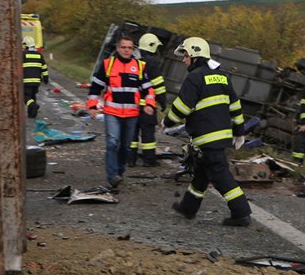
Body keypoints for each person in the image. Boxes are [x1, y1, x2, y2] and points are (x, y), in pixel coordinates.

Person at [164, 36, 252, 227]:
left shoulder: (194, 78)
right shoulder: (222, 76)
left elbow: (182, 108)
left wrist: (166, 121)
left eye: (185, 55)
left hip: (206, 139)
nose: (183, 59)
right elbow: (235, 106)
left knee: (221, 176)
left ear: (195, 55)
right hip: (220, 137)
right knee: (202, 174)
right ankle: (188, 208)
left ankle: (241, 212)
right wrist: (239, 131)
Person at [86, 36, 156, 188]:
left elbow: (149, 89)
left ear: (133, 50)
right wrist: (92, 106)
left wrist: (150, 104)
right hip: (112, 113)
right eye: (123, 47)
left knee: (125, 147)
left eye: (129, 48)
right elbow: (95, 87)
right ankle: (112, 176)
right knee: (112, 143)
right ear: (118, 48)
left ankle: (119, 171)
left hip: (131, 115)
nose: (126, 50)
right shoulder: (108, 64)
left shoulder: (139, 66)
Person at [128, 33, 167, 167]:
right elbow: (158, 84)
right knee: (148, 134)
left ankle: (130, 160)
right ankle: (149, 160)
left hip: (131, 106)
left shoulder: (132, 60)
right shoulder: (153, 63)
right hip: (147, 106)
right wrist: (162, 101)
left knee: (131, 134)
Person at [22, 37, 47, 118]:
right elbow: (44, 67)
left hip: (26, 81)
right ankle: (32, 114)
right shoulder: (39, 55)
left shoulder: (23, 55)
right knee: (33, 96)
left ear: (26, 45)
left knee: (26, 97)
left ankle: (33, 106)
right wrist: (46, 78)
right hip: (36, 82)